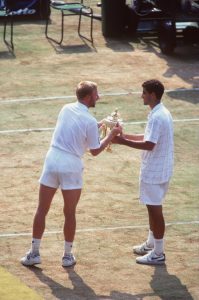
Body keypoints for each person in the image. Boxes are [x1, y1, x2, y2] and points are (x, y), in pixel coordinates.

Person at [20, 81, 122, 267]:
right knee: (70, 212)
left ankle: (34, 253)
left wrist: (100, 124)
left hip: (52, 161)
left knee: (41, 209)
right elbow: (95, 150)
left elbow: (78, 129)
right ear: (87, 97)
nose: (98, 97)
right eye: (95, 94)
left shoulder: (65, 109)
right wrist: (111, 134)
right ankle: (67, 256)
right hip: (71, 167)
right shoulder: (89, 120)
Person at [112, 79, 174, 265]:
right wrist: (124, 136)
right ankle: (151, 243)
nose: (142, 96)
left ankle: (159, 252)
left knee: (155, 210)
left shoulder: (157, 116)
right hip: (158, 168)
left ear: (152, 95)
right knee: (150, 206)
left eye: (144, 93)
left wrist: (122, 142)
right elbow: (148, 137)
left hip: (155, 171)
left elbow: (149, 144)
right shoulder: (160, 113)